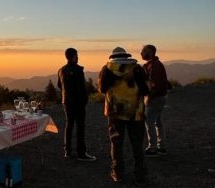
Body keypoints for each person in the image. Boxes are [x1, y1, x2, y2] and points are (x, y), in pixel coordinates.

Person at [98, 47, 149, 183]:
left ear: (112, 57)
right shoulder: (137, 68)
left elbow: (102, 89)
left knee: (116, 143)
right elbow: (145, 89)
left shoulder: (107, 69)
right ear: (126, 56)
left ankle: (117, 173)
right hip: (135, 113)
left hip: (115, 113)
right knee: (137, 144)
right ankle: (140, 175)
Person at [57, 48, 96, 161]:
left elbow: (60, 85)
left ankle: (67, 151)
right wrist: (84, 99)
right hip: (78, 102)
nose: (78, 57)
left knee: (69, 125)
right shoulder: (78, 70)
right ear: (74, 56)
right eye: (77, 55)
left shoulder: (61, 70)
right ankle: (81, 153)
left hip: (66, 101)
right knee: (80, 126)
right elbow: (81, 88)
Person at [141, 44, 170, 157]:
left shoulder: (154, 66)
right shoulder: (154, 64)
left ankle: (152, 148)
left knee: (148, 121)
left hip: (155, 97)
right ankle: (161, 147)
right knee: (158, 121)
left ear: (151, 53)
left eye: (143, 51)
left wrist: (149, 96)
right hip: (160, 96)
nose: (141, 53)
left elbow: (155, 84)